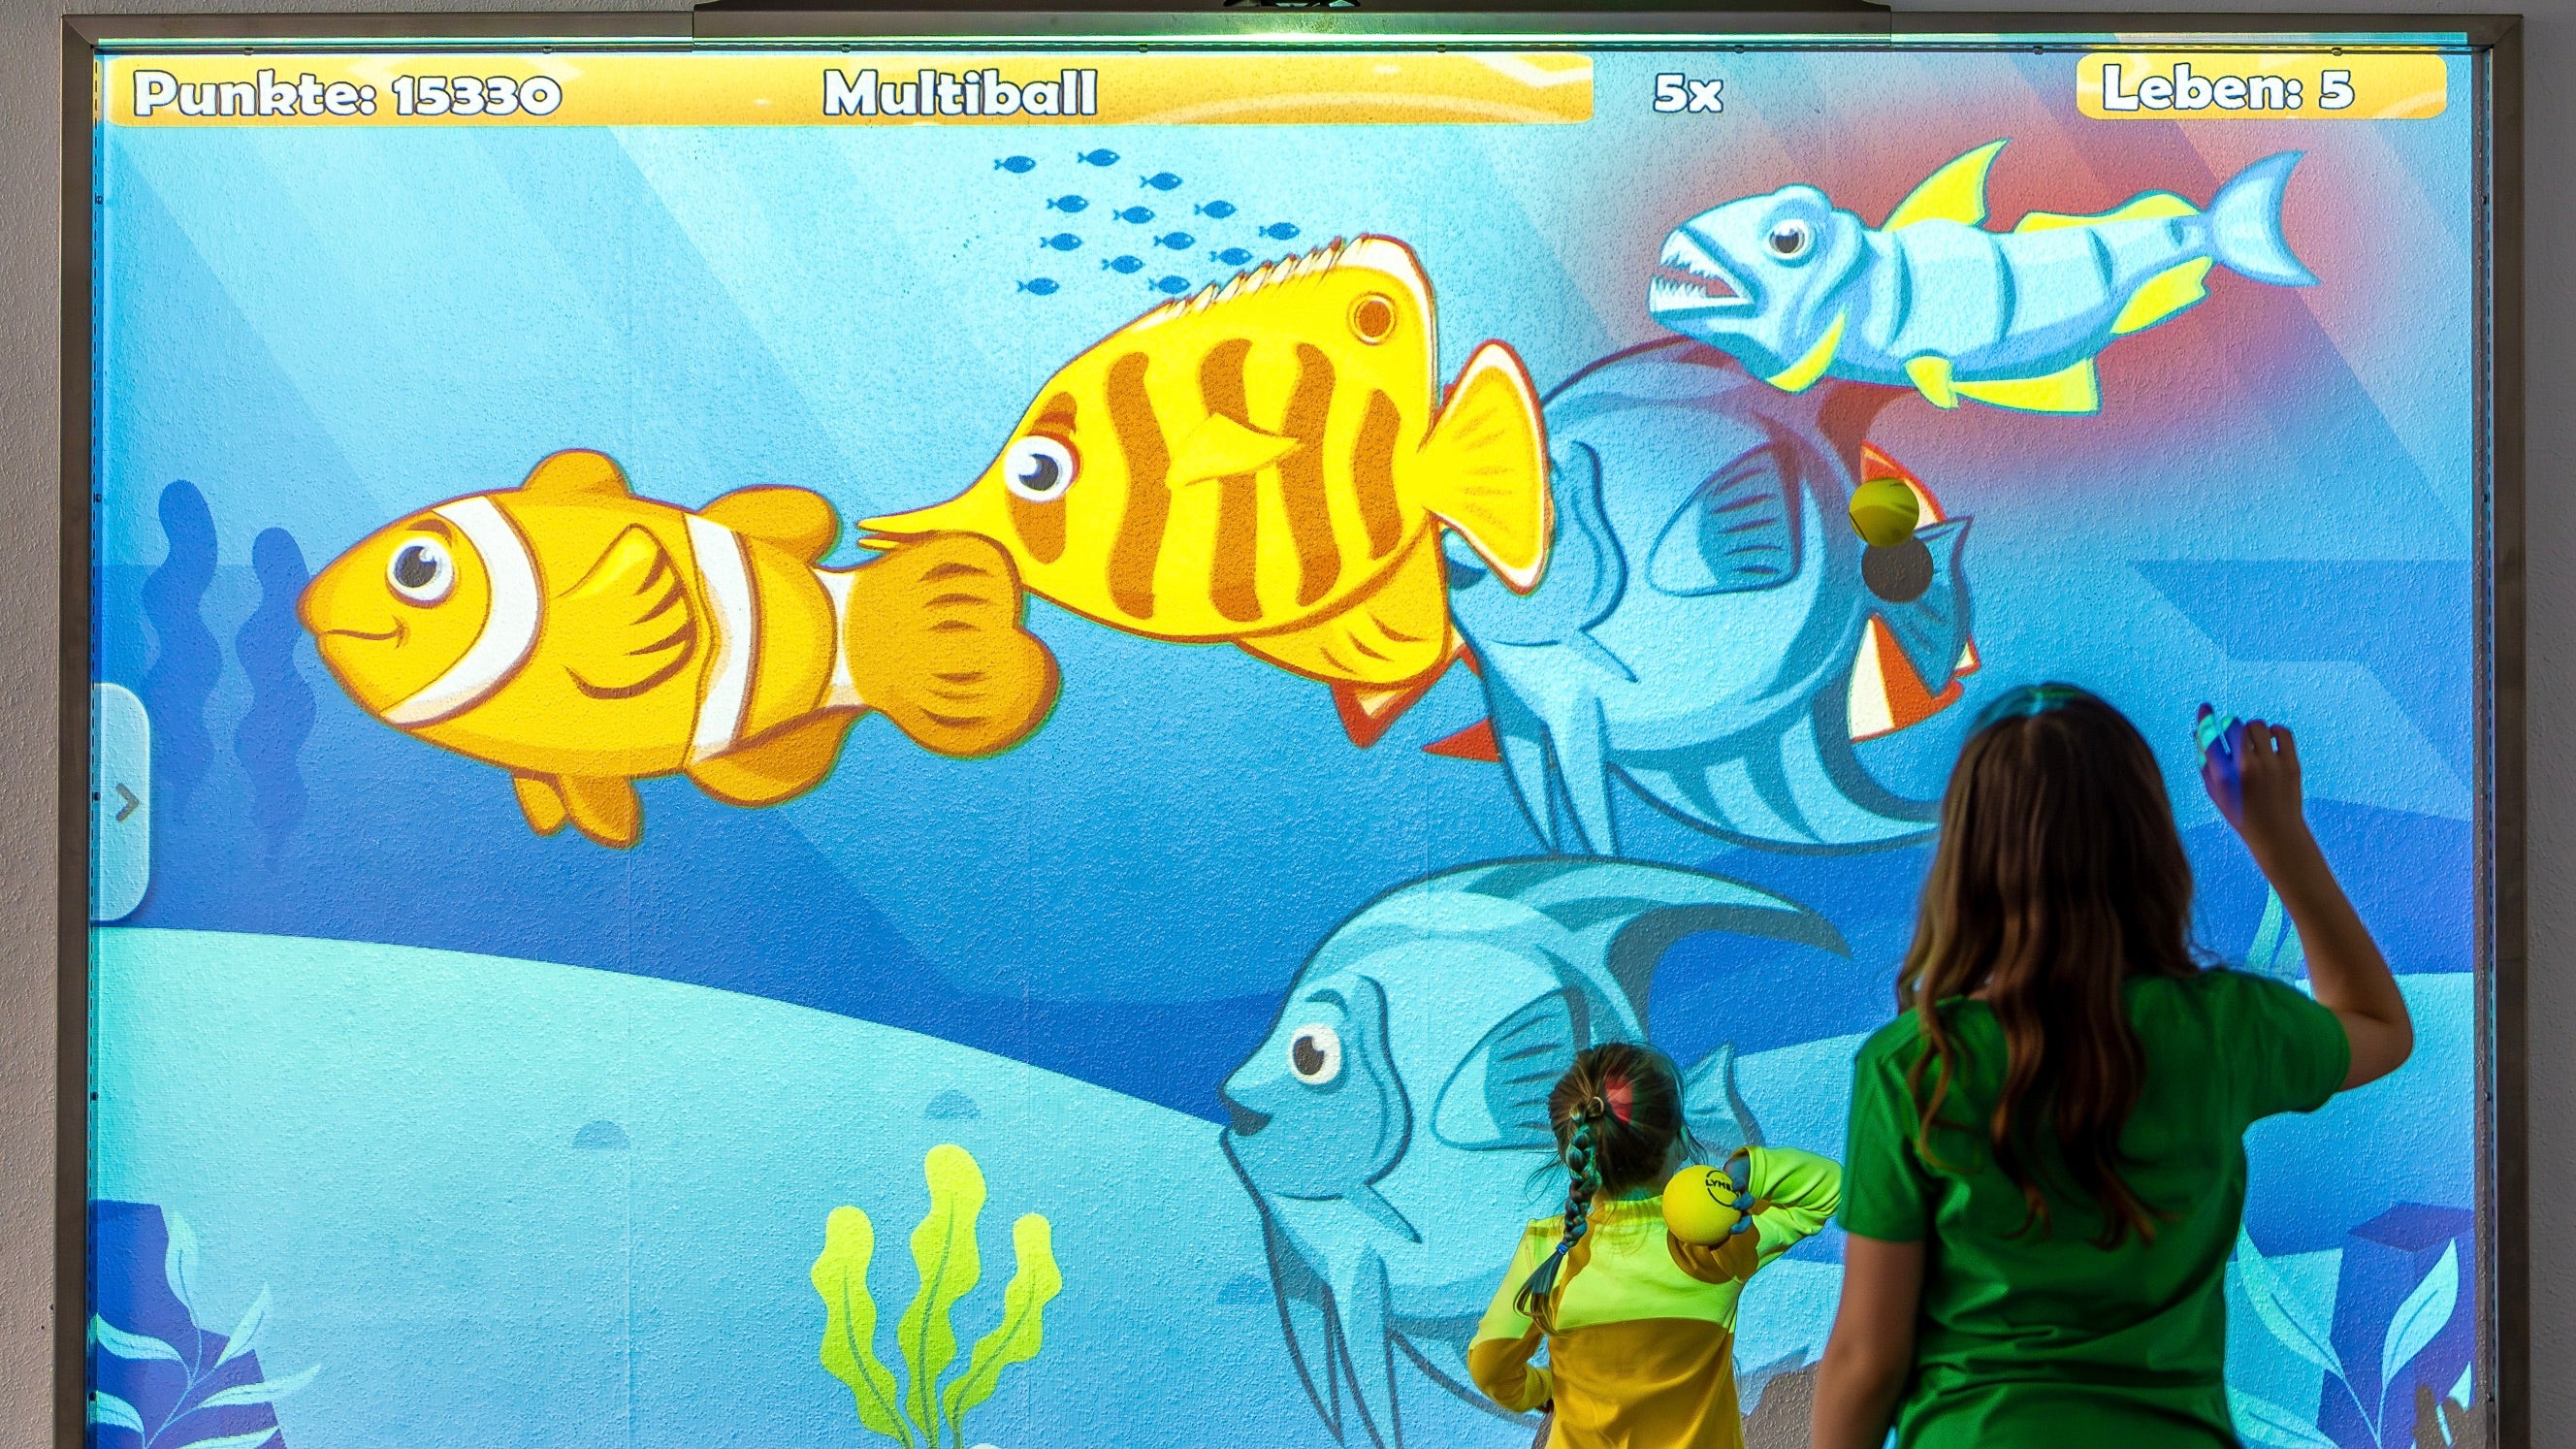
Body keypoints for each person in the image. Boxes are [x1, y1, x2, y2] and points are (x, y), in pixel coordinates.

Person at [1810, 685, 2414, 1448]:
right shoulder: (2224, 1028)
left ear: (1965, 862)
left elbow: (1867, 1359)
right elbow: (2380, 1026)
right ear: (2148, 851)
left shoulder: (1913, 1067)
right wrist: (2276, 834)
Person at [1470, 1041, 1843, 1448]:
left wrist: (1542, 1390)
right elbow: (1831, 1190)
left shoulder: (1548, 1249)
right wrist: (1751, 1170)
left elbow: (1490, 1366)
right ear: (1680, 1139)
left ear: (1572, 1154)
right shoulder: (1714, 1247)